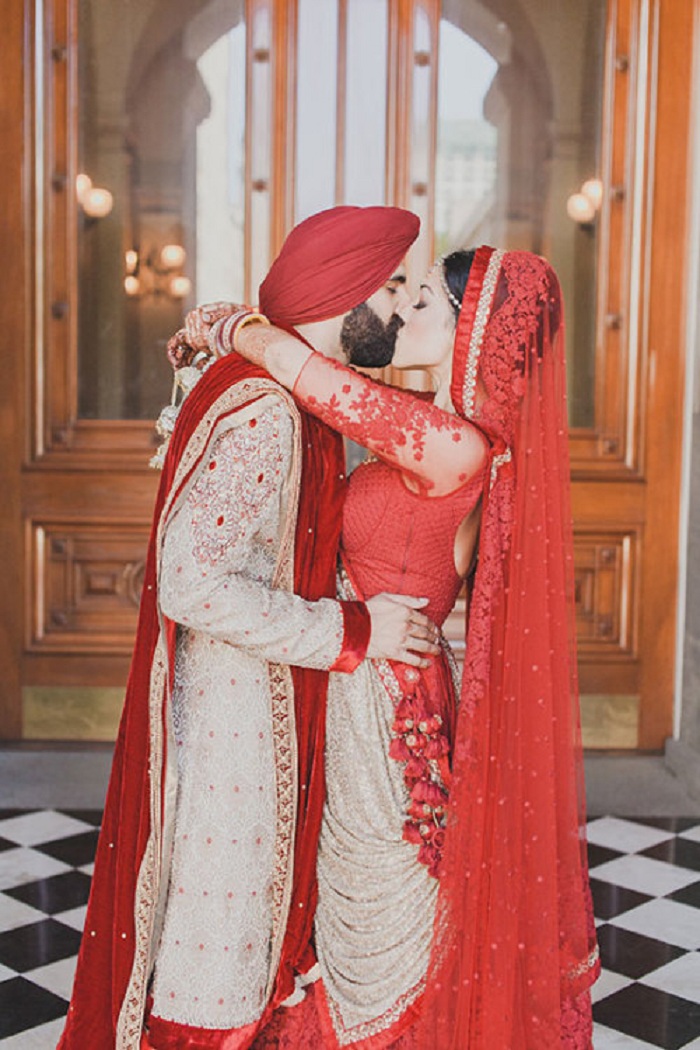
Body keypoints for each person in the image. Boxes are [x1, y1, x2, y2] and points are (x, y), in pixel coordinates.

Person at [193, 245, 600, 1048]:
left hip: (385, 699)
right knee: (343, 896)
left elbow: (304, 372)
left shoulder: (457, 446)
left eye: (426, 300)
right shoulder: (431, 422)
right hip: (355, 672)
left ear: (471, 333)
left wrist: (227, 325)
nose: (403, 308)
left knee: (384, 913)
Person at [57, 206, 443, 1050]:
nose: (403, 305)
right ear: (346, 294)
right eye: (393, 286)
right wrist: (352, 632)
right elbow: (191, 582)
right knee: (216, 955)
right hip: (233, 729)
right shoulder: (267, 412)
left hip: (259, 707)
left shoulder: (282, 390)